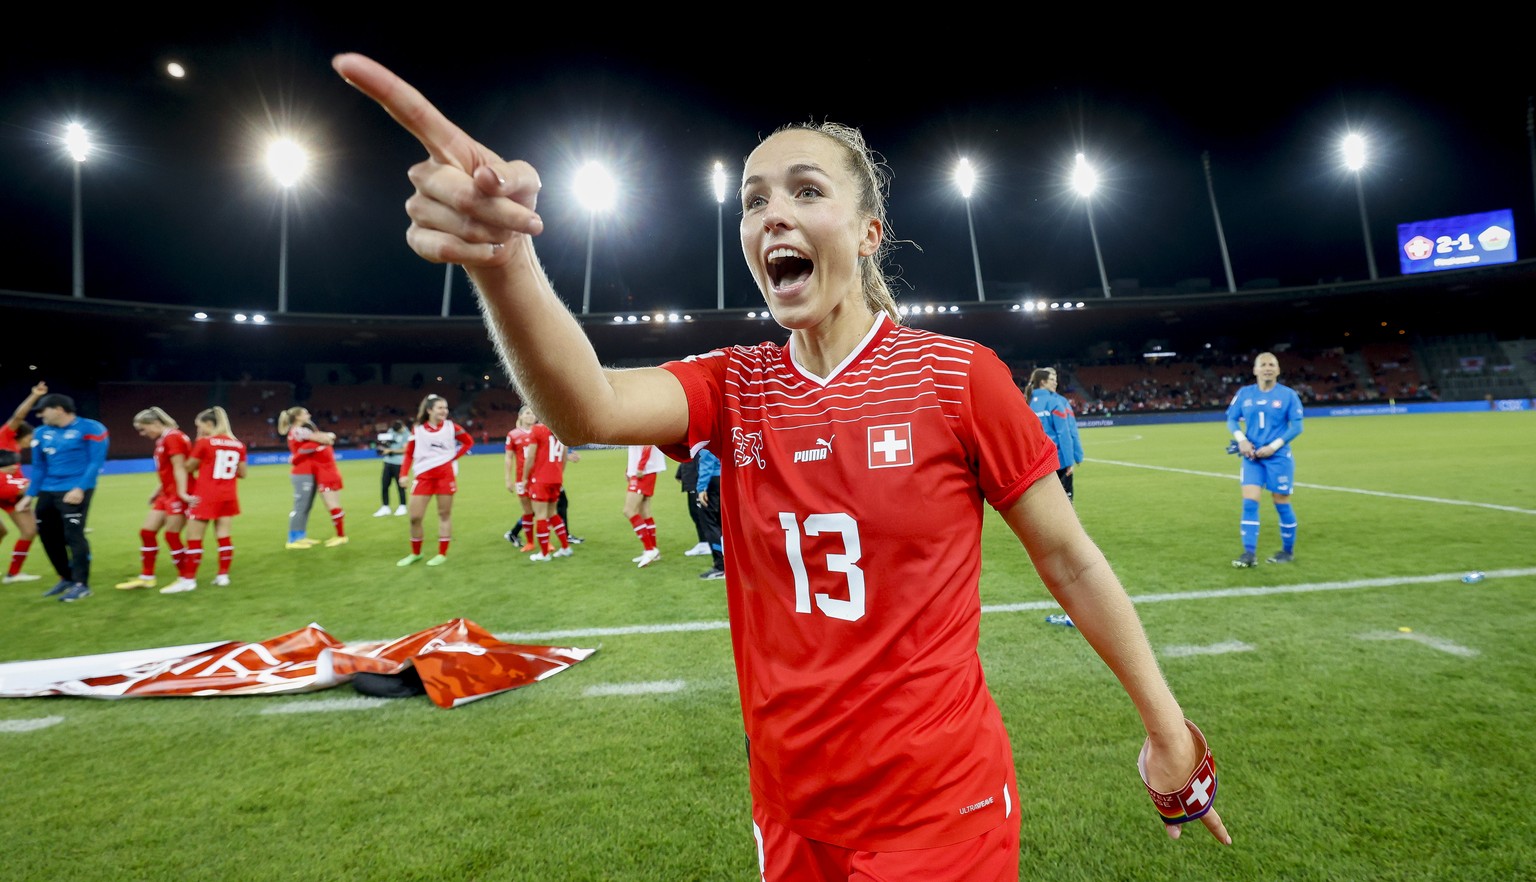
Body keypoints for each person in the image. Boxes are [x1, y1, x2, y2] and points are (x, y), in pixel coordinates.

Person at [335, 53, 1229, 877]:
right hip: (790, 806)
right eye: (754, 201)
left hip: (940, 810)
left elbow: (1070, 559)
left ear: (870, 230)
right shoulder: (735, 383)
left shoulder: (958, 378)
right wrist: (504, 260)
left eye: (805, 191)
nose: (774, 216)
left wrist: (1166, 730)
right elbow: (586, 407)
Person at [27, 391, 108, 602]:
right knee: (48, 536)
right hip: (48, 489)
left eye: (42, 410)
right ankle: (66, 577)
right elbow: (38, 466)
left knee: (74, 535)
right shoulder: (40, 433)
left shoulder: (92, 428)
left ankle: (82, 584)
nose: (40, 415)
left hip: (75, 490)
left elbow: (95, 463)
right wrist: (30, 495)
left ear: (59, 409)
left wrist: (80, 488)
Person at [1226, 351, 1303, 567]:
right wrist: (1242, 440)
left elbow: (1297, 426)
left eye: (1272, 364)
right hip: (1252, 458)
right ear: (1255, 370)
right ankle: (1249, 554)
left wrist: (1273, 446)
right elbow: (1231, 419)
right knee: (1250, 502)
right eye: (1263, 364)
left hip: (1278, 458)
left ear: (1278, 370)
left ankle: (1287, 552)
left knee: (1281, 502)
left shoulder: (1288, 395)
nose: (1268, 368)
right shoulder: (1244, 394)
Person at [161, 407, 247, 594]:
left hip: (206, 495)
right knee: (224, 536)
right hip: (229, 495)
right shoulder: (238, 444)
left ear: (209, 424)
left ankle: (188, 581)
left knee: (194, 539)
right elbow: (243, 473)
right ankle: (223, 576)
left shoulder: (205, 443)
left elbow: (189, 467)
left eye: (200, 427)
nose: (199, 431)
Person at [113, 407, 195, 591]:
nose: (143, 434)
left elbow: (180, 467)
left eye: (143, 429)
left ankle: (185, 579)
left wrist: (181, 493)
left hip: (177, 493)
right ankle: (147, 577)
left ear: (155, 423)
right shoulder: (164, 439)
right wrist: (157, 490)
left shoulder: (173, 437)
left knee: (172, 535)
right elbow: (168, 470)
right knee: (147, 533)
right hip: (166, 493)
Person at [397, 393, 474, 567]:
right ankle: (416, 553)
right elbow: (409, 453)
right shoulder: (417, 429)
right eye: (440, 408)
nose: (444, 411)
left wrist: (453, 457)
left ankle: (442, 553)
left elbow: (468, 442)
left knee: (444, 514)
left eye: (446, 408)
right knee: (415, 517)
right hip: (423, 476)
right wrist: (403, 474)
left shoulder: (451, 427)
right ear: (430, 410)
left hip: (445, 476)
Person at [519, 408, 575, 562]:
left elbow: (530, 457)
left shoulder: (538, 430)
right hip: (556, 478)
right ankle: (565, 548)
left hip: (541, 479)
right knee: (553, 513)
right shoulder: (562, 432)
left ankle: (544, 554)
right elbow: (564, 458)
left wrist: (524, 478)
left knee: (541, 516)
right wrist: (558, 474)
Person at [1027, 367, 1085, 504]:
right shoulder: (1056, 402)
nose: (1055, 383)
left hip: (1034, 463)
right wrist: (1072, 459)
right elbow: (1066, 432)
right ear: (1043, 382)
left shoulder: (1026, 401)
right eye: (1052, 379)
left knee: (1041, 505)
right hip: (1056, 460)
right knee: (1064, 505)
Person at [277, 406, 328, 549]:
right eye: (305, 413)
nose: (309, 414)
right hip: (302, 472)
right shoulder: (298, 431)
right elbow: (321, 438)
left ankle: (300, 536)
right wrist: (325, 437)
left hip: (306, 471)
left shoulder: (299, 431)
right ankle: (292, 540)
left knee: (305, 506)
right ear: (298, 417)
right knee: (300, 506)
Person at [0, 449, 41, 583]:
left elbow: (21, 485)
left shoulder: (8, 474)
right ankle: (12, 574)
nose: (15, 466)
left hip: (8, 499)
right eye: (11, 464)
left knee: (28, 530)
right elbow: (21, 489)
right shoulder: (2, 480)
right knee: (28, 531)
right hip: (7, 497)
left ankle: (13, 573)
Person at [624, 443, 666, 567]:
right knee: (644, 511)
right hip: (643, 469)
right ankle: (654, 550)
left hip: (644, 470)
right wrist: (629, 468)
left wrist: (640, 466)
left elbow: (648, 443)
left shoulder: (642, 424)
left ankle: (649, 549)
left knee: (628, 510)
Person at [502, 404, 538, 551]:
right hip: (521, 479)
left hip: (539, 478)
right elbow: (509, 458)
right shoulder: (513, 435)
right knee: (529, 511)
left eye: (533, 413)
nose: (531, 416)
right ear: (521, 416)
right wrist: (508, 479)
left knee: (540, 510)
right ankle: (527, 540)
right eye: (528, 413)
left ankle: (514, 533)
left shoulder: (540, 432)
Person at [692, 447, 724, 580]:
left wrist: (701, 487)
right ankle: (726, 564)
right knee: (721, 524)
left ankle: (720, 566)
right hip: (723, 478)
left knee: (710, 524)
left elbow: (707, 459)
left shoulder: (707, 439)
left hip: (712, 483)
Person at [675, 456, 711, 557]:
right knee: (694, 512)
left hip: (697, 479)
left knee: (701, 513)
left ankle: (709, 543)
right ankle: (703, 542)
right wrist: (680, 472)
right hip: (690, 478)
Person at [374, 420, 411, 517]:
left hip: (399, 463)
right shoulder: (391, 431)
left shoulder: (407, 435)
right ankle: (385, 507)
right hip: (388, 462)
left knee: (400, 486)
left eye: (399, 430)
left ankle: (402, 506)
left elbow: (405, 450)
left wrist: (390, 450)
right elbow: (386, 443)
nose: (398, 432)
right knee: (384, 485)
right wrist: (384, 445)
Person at [2, 381, 46, 459]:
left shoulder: (16, 451)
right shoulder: (3, 437)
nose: (30, 443)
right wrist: (35, 395)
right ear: (19, 435)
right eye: (29, 439)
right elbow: (18, 418)